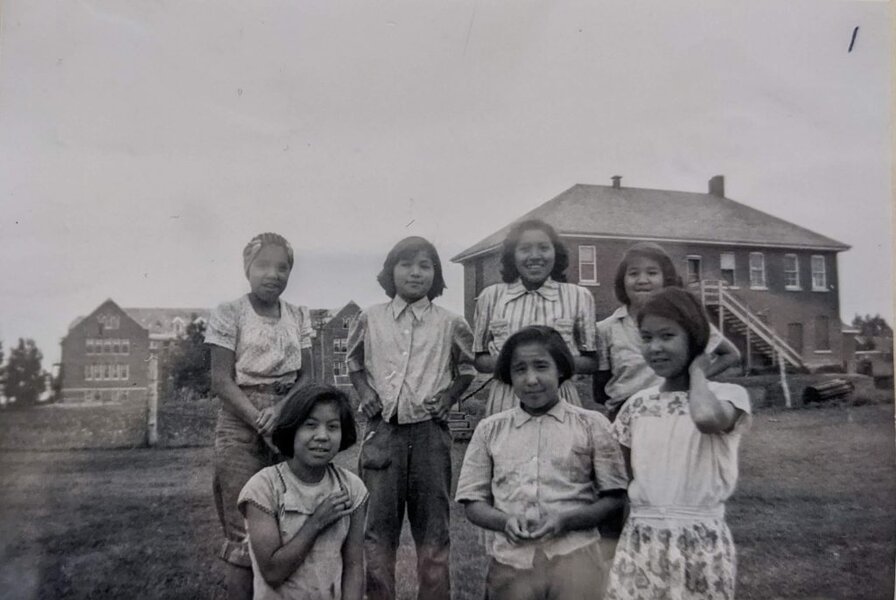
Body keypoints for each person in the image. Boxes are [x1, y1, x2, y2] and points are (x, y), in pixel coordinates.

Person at [346, 236, 476, 600]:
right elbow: (354, 363)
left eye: (425, 265)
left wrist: (449, 398)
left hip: (430, 438)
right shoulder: (369, 318)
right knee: (377, 534)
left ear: (435, 274)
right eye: (406, 264)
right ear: (391, 271)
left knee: (434, 533)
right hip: (382, 435)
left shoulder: (451, 323)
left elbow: (467, 368)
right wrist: (366, 394)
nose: (415, 273)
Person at [456, 326, 628, 600]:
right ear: (509, 376)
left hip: (577, 557)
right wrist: (505, 521)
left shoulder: (591, 424)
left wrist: (566, 520)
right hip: (511, 562)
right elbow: (472, 502)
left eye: (541, 367)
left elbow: (615, 497)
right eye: (520, 370)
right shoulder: (490, 430)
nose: (531, 379)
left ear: (560, 369)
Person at [605, 288, 752, 600]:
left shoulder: (728, 397)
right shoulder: (637, 404)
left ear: (694, 339)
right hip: (642, 539)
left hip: (699, 541)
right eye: (647, 338)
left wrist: (698, 371)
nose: (655, 347)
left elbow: (705, 419)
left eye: (667, 336)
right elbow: (626, 479)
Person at [205, 232, 314, 600]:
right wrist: (257, 417)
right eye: (264, 265)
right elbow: (220, 378)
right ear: (247, 268)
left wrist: (281, 412)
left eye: (282, 267)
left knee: (290, 524)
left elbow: (308, 376)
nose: (274, 274)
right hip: (240, 420)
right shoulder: (229, 313)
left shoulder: (298, 315)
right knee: (244, 531)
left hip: (289, 417)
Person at [238, 384, 367, 600]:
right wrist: (316, 522)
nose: (322, 436)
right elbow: (272, 572)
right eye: (310, 425)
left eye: (333, 427)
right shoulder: (263, 487)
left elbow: (354, 567)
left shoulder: (352, 488)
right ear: (292, 429)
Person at [594, 242, 741, 422]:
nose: (642, 280)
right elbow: (600, 389)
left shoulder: (685, 321)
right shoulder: (606, 328)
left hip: (674, 411)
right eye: (633, 273)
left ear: (666, 279)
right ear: (622, 281)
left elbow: (730, 354)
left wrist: (692, 378)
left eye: (652, 273)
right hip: (625, 415)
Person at [473, 219, 597, 416]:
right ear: (512, 255)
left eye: (543, 248)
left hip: (560, 399)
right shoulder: (491, 296)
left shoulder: (579, 296)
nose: (535, 256)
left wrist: (550, 365)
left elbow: (591, 361)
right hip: (506, 400)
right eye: (525, 249)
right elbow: (479, 359)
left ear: (555, 253)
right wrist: (514, 364)